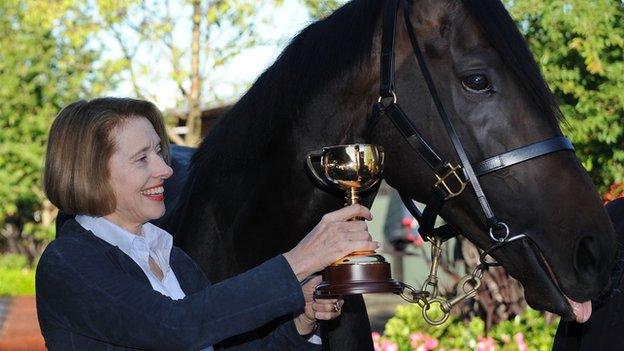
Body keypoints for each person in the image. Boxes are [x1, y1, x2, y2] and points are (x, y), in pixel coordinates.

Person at [36, 97, 379, 350]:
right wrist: (300, 260)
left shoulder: (171, 257)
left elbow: (221, 343)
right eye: (142, 158)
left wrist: (300, 320)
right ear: (92, 173)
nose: (166, 170)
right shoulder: (69, 262)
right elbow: (175, 326)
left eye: (159, 151)